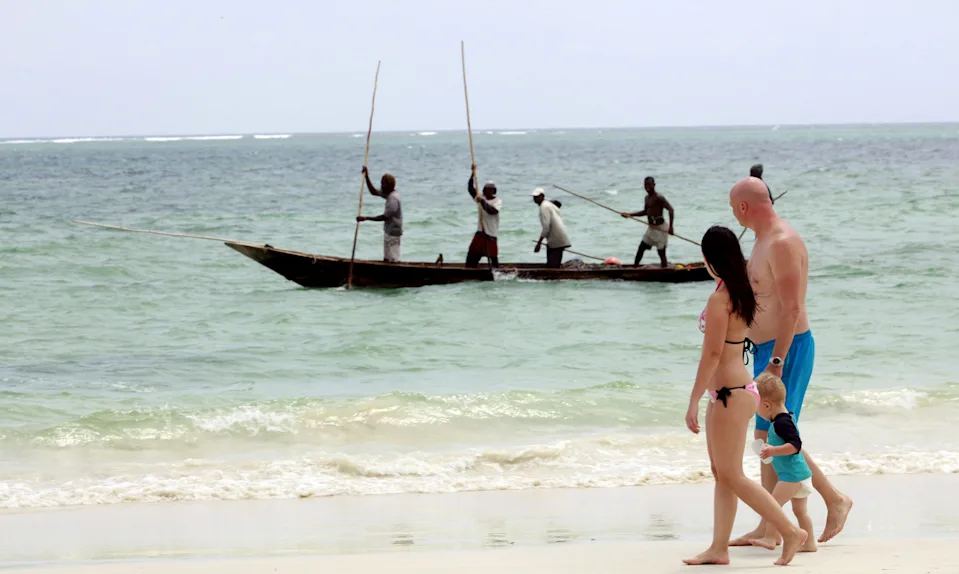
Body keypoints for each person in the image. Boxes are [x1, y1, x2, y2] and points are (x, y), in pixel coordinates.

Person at [727, 177, 853, 547]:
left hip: (789, 349)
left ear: (745, 207)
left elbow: (793, 306)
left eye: (735, 208)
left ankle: (829, 501)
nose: (734, 215)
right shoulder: (761, 240)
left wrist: (778, 361)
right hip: (768, 349)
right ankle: (773, 525)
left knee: (777, 434)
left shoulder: (781, 242)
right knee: (765, 436)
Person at [683, 225, 807, 567]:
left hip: (729, 393)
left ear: (710, 259)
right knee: (721, 472)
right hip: (732, 391)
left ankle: (788, 531)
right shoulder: (737, 292)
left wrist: (693, 399)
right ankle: (719, 548)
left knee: (732, 474)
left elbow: (711, 356)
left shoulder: (720, 299)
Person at [749, 373, 817, 554]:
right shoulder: (786, 417)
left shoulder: (781, 422)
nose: (758, 413)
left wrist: (773, 450)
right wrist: (769, 453)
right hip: (801, 474)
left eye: (757, 408)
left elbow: (795, 445)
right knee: (800, 512)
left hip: (792, 477)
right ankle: (810, 543)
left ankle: (771, 538)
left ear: (766, 405)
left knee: (772, 505)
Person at [621, 176, 674, 267]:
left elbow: (671, 210)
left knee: (661, 253)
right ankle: (634, 269)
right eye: (645, 185)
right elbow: (645, 212)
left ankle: (665, 271)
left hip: (661, 229)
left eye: (649, 184)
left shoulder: (659, 197)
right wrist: (630, 215)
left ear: (654, 185)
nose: (647, 187)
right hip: (651, 229)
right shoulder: (647, 198)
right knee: (641, 248)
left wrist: (671, 227)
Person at [356, 166, 402, 262]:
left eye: (382, 184)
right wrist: (366, 176)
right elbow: (373, 191)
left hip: (393, 233)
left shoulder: (393, 199)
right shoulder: (389, 193)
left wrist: (365, 218)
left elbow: (384, 217)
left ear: (388, 186)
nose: (381, 186)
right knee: (387, 258)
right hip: (389, 231)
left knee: (392, 260)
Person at [466, 164, 502, 268]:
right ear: (484, 190)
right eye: (487, 189)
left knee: (493, 261)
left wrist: (481, 201)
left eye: (491, 189)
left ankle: (497, 274)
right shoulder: (480, 198)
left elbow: (492, 211)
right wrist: (472, 173)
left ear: (494, 191)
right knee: (471, 258)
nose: (489, 191)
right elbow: (470, 188)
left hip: (491, 235)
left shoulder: (497, 201)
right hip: (480, 233)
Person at [532, 188, 571, 268]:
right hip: (558, 238)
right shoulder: (547, 204)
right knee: (553, 265)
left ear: (542, 196)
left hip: (556, 239)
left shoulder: (544, 207)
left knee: (553, 267)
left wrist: (539, 243)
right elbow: (558, 205)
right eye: (534, 197)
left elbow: (546, 227)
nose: (535, 198)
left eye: (537, 196)